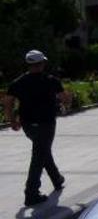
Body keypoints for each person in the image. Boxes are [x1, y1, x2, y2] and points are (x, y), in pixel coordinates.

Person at [3, 50, 69, 206]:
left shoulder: (17, 82)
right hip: (46, 124)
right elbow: (64, 97)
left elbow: (7, 103)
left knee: (42, 150)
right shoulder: (51, 80)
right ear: (42, 64)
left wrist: (12, 121)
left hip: (28, 125)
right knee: (39, 155)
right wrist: (65, 105)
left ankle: (57, 179)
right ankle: (31, 194)